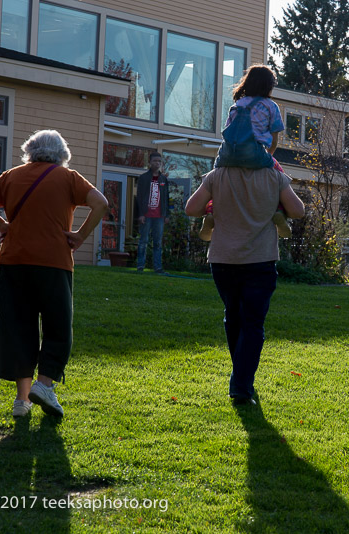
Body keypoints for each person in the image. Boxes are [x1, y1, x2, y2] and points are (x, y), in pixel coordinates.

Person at [0, 130, 108, 418]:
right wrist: (80, 236)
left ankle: (22, 401)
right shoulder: (68, 178)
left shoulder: (11, 176)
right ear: (61, 154)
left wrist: (3, 225)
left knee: (18, 327)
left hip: (13, 263)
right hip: (54, 262)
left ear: (30, 151)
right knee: (57, 326)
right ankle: (44, 385)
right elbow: (101, 203)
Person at [185, 164, 304, 405]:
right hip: (259, 260)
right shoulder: (274, 175)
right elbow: (298, 210)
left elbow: (191, 208)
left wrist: (217, 205)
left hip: (222, 260)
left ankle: (241, 377)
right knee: (252, 323)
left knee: (234, 317)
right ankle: (240, 385)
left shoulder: (217, 175)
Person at [199, 64, 291, 241]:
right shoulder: (271, 106)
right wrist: (268, 158)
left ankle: (210, 212)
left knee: (216, 180)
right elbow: (274, 140)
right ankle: (279, 212)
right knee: (279, 176)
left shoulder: (237, 105)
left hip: (227, 153)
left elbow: (227, 131)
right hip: (254, 151)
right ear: (268, 86)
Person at [136, 151, 169, 273]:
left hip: (159, 216)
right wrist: (140, 214)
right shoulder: (144, 178)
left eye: (159, 161)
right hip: (146, 215)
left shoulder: (163, 179)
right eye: (155, 161)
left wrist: (166, 215)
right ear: (150, 162)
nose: (157, 163)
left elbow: (166, 197)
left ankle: (158, 267)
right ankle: (140, 266)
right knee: (143, 241)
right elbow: (139, 197)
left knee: (158, 243)